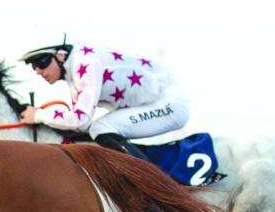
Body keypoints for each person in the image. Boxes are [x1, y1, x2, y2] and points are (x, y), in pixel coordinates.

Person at [18, 43, 189, 161]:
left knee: (101, 128)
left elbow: (80, 120)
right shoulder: (73, 71)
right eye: (33, 66)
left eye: (41, 62)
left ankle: (152, 184)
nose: (38, 71)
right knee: (99, 130)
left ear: (60, 55)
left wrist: (39, 115)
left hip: (169, 104)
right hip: (156, 102)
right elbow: (81, 126)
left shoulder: (83, 64)